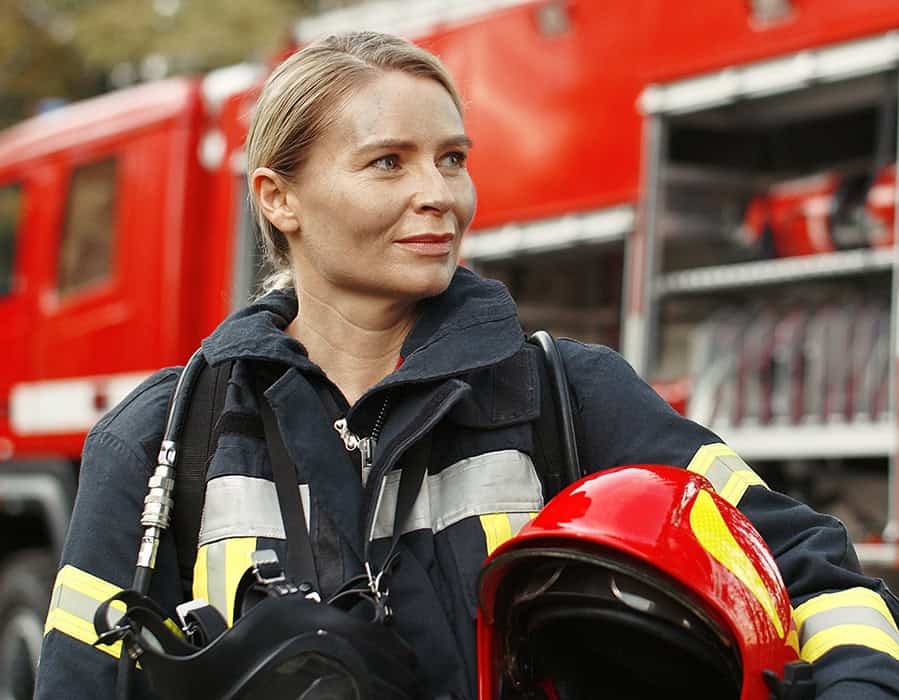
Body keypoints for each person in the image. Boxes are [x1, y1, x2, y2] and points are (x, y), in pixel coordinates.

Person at [36, 30, 899, 700]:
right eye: (388, 163)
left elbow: (808, 568)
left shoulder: (568, 395)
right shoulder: (160, 440)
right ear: (279, 198)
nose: (440, 195)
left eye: (452, 159)